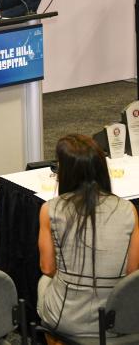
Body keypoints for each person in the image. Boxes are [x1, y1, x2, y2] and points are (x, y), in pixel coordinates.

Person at [37, 134, 139, 340]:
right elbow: (132, 271)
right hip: (117, 319)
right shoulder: (129, 209)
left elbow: (47, 268)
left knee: (43, 281)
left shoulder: (50, 209)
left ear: (66, 173)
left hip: (67, 319)